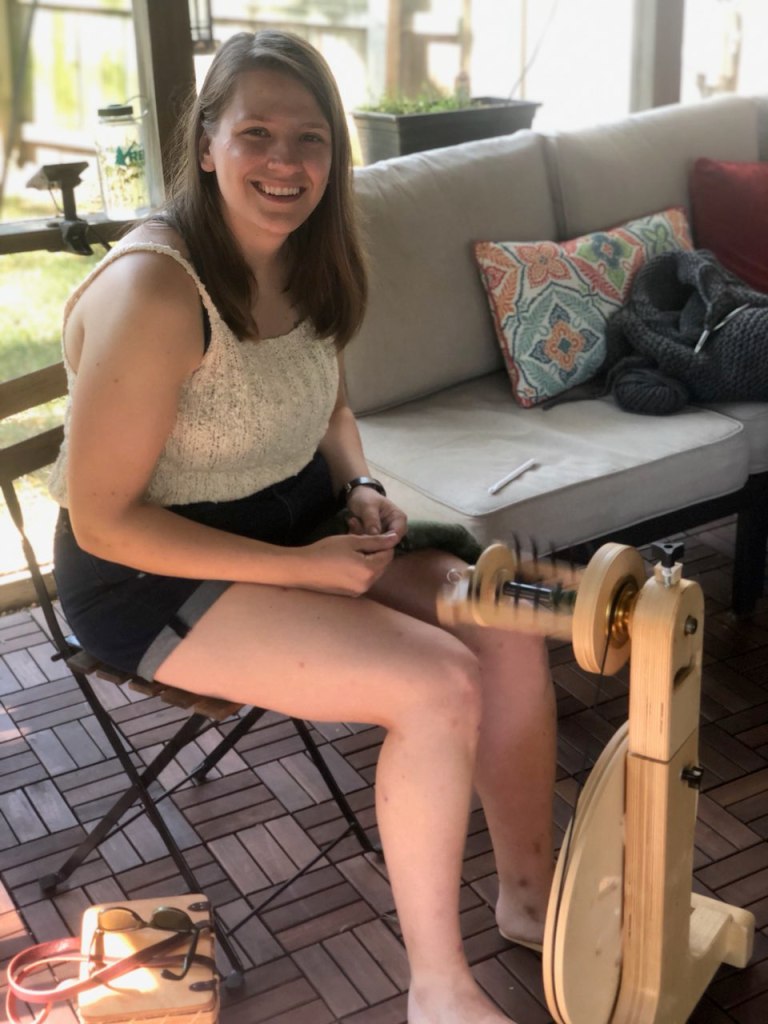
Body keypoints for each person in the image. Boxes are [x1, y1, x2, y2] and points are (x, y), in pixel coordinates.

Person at [49, 30, 556, 1024]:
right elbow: (103, 521)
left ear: (334, 153)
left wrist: (358, 482)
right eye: (258, 134)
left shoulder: (310, 257)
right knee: (437, 684)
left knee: (506, 620)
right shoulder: (158, 289)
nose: (285, 162)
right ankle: (438, 991)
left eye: (310, 138)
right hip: (148, 571)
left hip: (297, 523)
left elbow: (328, 403)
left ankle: (530, 901)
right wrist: (306, 570)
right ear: (206, 143)